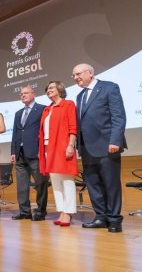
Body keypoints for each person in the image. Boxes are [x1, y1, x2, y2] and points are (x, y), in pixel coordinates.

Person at [73, 63, 127, 233]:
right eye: (73, 76)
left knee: (111, 184)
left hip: (107, 145)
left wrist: (115, 141)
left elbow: (118, 116)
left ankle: (114, 220)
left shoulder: (109, 87)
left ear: (90, 72)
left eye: (78, 74)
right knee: (93, 184)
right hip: (86, 147)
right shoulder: (80, 96)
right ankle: (100, 217)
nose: (76, 78)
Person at [38, 81, 78, 227]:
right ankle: (62, 210)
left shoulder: (68, 104)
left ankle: (69, 212)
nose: (48, 90)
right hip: (48, 147)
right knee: (55, 180)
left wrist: (70, 145)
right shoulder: (47, 109)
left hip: (62, 147)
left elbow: (73, 127)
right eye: (47, 89)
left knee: (67, 179)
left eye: (51, 88)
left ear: (60, 89)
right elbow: (42, 132)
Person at [11, 85, 49, 221]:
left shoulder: (42, 109)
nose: (23, 95)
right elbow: (15, 134)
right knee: (22, 185)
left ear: (34, 94)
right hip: (20, 153)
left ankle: (40, 211)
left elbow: (46, 130)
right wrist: (13, 152)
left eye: (26, 93)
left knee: (40, 183)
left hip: (36, 153)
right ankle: (24, 211)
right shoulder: (18, 113)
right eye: (21, 94)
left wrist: (43, 150)